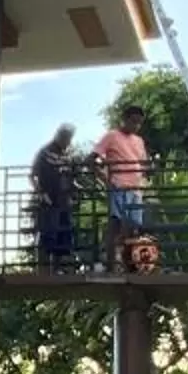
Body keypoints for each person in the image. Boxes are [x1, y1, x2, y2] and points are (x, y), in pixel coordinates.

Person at [93, 99, 150, 265]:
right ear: (125, 119)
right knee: (116, 223)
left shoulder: (139, 141)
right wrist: (106, 180)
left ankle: (130, 264)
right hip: (119, 186)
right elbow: (91, 159)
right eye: (133, 121)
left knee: (134, 228)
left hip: (136, 189)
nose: (136, 126)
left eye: (139, 123)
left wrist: (146, 175)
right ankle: (110, 263)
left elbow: (143, 164)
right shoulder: (111, 136)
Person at [30, 125, 80, 268]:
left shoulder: (69, 155)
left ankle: (57, 270)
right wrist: (41, 194)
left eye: (70, 138)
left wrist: (75, 189)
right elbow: (33, 175)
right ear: (58, 135)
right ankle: (43, 273)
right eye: (66, 137)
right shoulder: (44, 152)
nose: (68, 141)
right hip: (49, 200)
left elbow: (72, 177)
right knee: (47, 236)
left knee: (63, 238)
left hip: (65, 201)